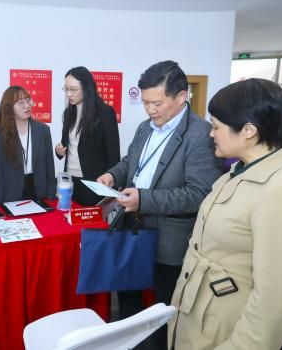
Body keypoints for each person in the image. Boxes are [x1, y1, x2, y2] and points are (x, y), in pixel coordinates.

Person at [169, 78, 282, 350]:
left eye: (217, 126)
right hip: (201, 311)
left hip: (227, 328)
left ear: (248, 130)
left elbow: (276, 302)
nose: (211, 134)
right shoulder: (241, 170)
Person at [96, 60, 222, 348]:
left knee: (164, 309)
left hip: (169, 239)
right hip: (132, 228)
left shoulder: (200, 135)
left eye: (157, 103)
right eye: (145, 103)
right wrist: (113, 175)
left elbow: (199, 194)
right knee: (128, 299)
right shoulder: (145, 128)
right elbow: (131, 162)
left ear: (181, 96)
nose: (150, 110)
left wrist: (144, 200)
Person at [55, 66, 120, 206]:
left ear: (86, 88)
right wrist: (59, 151)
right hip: (70, 179)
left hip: (95, 181)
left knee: (92, 218)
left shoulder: (105, 113)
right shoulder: (68, 113)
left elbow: (113, 152)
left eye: (73, 89)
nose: (69, 94)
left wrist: (111, 181)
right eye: (66, 89)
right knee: (69, 216)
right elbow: (65, 144)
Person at [0, 86, 56, 204]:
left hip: (38, 191)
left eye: (28, 100)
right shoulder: (0, 134)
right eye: (20, 103)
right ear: (9, 108)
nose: (27, 105)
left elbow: (49, 166)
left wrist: (51, 195)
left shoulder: (43, 130)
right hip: (11, 193)